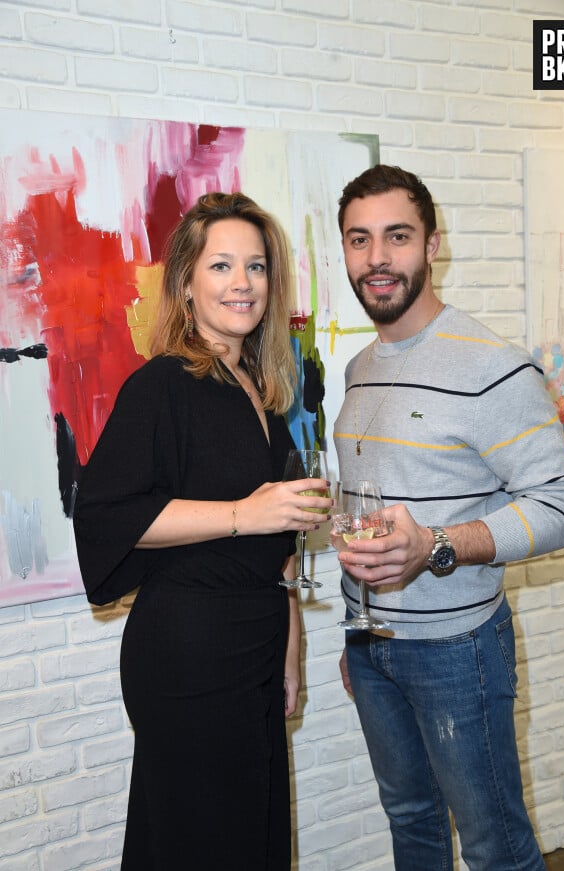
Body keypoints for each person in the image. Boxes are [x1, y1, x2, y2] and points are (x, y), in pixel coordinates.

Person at [73, 191, 332, 871]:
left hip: (253, 639)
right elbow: (111, 512)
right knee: (202, 841)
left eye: (255, 265)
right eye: (221, 266)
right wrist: (251, 510)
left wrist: (292, 629)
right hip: (188, 650)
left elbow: (273, 546)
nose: (241, 282)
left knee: (248, 834)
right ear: (187, 281)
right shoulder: (162, 384)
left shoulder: (259, 386)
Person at [333, 164, 564, 871]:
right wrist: (361, 631)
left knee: (495, 846)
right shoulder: (359, 369)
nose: (377, 257)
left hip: (458, 651)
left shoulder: (494, 367)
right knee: (410, 824)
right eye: (359, 239)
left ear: (433, 245)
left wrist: (438, 545)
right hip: (373, 645)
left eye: (397, 236)